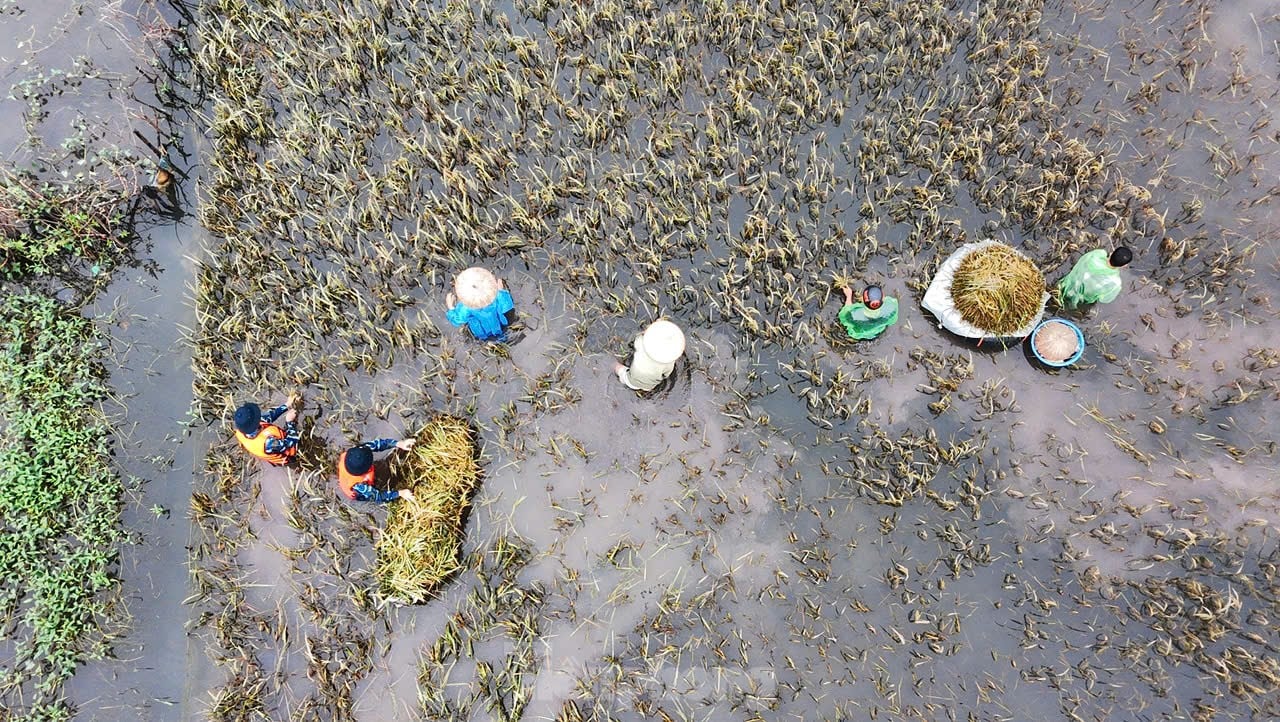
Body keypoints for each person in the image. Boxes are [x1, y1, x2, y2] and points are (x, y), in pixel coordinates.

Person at [337, 437, 417, 503]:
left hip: (354, 472)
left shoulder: (357, 452)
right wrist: (400, 493)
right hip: (357, 489)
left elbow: (377, 444)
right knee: (389, 480)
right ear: (366, 470)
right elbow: (378, 496)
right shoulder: (360, 487)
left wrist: (399, 444)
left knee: (386, 465)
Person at [614, 319, 685, 393]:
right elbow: (666, 375)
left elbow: (636, 341)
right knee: (648, 384)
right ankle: (645, 391)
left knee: (618, 368)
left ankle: (615, 369)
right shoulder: (669, 364)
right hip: (649, 386)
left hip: (632, 381)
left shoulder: (640, 342)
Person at [446, 267, 515, 341]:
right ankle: (502, 339)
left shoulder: (465, 308)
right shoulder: (498, 296)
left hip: (481, 333)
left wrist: (451, 307)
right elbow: (508, 306)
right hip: (501, 325)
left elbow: (457, 320)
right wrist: (501, 290)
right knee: (502, 335)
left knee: (485, 339)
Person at [1056, 247, 1131, 310]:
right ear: (1123, 266)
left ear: (1111, 253)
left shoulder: (1096, 254)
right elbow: (1105, 300)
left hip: (1066, 284)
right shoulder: (1115, 283)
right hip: (1081, 300)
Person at [233, 400, 299, 466]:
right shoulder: (268, 443)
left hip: (275, 445)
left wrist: (287, 405)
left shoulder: (242, 430)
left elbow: (269, 416)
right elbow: (290, 443)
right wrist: (290, 422)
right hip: (288, 455)